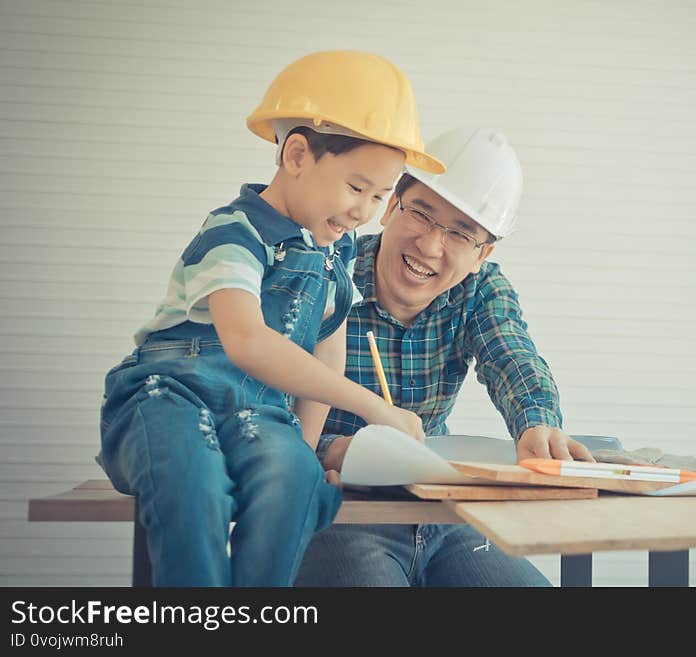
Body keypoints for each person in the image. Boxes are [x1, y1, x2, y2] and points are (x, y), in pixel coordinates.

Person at [97, 50, 441, 586]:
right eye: (355, 187)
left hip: (256, 415)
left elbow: (328, 345)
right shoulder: (233, 231)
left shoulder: (337, 250)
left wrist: (302, 450)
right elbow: (248, 341)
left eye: (379, 196)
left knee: (298, 480)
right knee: (194, 480)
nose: (363, 212)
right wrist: (376, 408)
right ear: (298, 155)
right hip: (168, 397)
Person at [294, 126, 596, 587]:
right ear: (391, 206)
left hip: (443, 515)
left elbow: (511, 354)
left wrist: (536, 422)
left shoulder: (480, 289)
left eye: (460, 233)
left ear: (482, 254)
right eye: (421, 214)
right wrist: (324, 454)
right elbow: (262, 405)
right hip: (339, 513)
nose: (431, 246)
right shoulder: (325, 272)